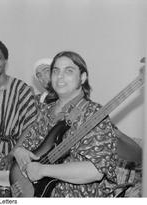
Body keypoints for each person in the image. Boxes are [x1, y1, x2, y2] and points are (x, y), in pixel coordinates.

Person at [11, 51, 118, 197]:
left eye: (69, 71)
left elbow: (95, 170)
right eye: (56, 71)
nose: (60, 76)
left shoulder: (93, 113)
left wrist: (43, 170)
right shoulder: (46, 110)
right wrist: (19, 151)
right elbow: (29, 145)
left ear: (82, 77)